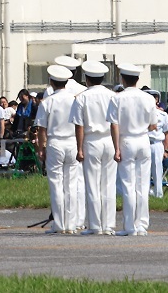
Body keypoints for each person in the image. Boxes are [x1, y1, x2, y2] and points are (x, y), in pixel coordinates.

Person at [107, 62, 157, 236]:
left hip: (126, 139)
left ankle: (129, 226)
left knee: (128, 185)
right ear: (137, 79)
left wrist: (116, 148)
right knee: (143, 185)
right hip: (143, 139)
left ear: (123, 79)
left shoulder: (117, 98)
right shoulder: (149, 98)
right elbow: (153, 125)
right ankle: (142, 225)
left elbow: (114, 125)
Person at [70, 61, 116, 235]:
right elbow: (115, 123)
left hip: (91, 140)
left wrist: (79, 148)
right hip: (109, 140)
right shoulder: (112, 95)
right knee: (108, 184)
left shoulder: (82, 97)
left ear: (87, 79)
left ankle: (95, 225)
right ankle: (109, 225)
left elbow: (79, 125)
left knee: (92, 184)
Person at [35, 64, 81, 234]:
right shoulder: (75, 99)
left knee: (56, 183)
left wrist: (41, 148)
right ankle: (71, 223)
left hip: (55, 142)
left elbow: (41, 129)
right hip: (72, 142)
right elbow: (79, 125)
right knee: (71, 184)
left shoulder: (48, 101)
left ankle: (59, 224)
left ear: (52, 82)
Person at [147, 90, 168, 198]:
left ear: (157, 100)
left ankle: (158, 195)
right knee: (144, 171)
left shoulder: (163, 114)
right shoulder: (142, 113)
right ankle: (146, 194)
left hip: (157, 144)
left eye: (153, 98)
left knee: (157, 170)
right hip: (145, 143)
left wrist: (165, 149)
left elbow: (166, 133)